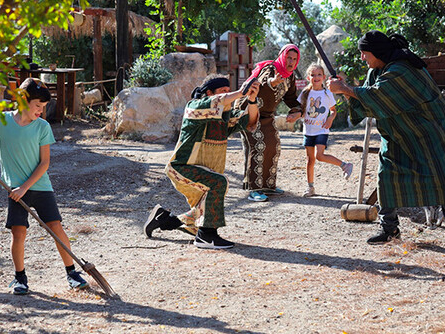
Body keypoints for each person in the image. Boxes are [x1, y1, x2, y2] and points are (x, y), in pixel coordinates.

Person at [327, 30, 445, 252]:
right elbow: (367, 101)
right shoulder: (377, 71)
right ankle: (389, 228)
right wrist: (345, 91)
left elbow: (377, 96)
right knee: (387, 176)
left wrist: (345, 89)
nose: (362, 58)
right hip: (399, 135)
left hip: (428, 134)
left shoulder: (402, 69)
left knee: (442, 178)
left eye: (364, 53)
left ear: (377, 52)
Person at [0, 78, 89, 295]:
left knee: (56, 227)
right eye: (37, 106)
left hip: (39, 186)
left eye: (43, 108)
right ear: (23, 100)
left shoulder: (42, 127)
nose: (41, 112)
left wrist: (25, 188)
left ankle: (72, 272)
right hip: (14, 189)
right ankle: (19, 278)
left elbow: (45, 163)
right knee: (19, 233)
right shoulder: (2, 122)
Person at [144, 74, 260, 249]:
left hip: (204, 174)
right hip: (181, 168)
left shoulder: (224, 116)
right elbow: (216, 102)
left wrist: (251, 100)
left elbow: (250, 121)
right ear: (209, 93)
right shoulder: (194, 107)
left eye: (229, 91)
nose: (228, 95)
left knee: (201, 216)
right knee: (218, 183)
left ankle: (164, 220)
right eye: (223, 91)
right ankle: (207, 237)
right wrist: (240, 92)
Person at [238, 44, 303, 202]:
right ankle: (254, 189)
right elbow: (256, 86)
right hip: (248, 110)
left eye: (294, 59)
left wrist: (297, 111)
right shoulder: (270, 68)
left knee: (274, 145)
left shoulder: (290, 76)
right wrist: (271, 83)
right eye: (289, 58)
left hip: (266, 115)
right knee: (259, 145)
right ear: (282, 56)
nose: (291, 62)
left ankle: (267, 185)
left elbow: (291, 98)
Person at [298, 63, 353, 197]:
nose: (316, 77)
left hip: (322, 130)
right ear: (308, 77)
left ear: (323, 77)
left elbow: (333, 110)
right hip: (308, 130)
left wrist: (330, 119)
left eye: (319, 75)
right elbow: (299, 109)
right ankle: (310, 187)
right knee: (310, 160)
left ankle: (344, 165)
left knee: (319, 156)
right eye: (313, 75)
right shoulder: (305, 93)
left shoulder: (327, 93)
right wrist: (295, 115)